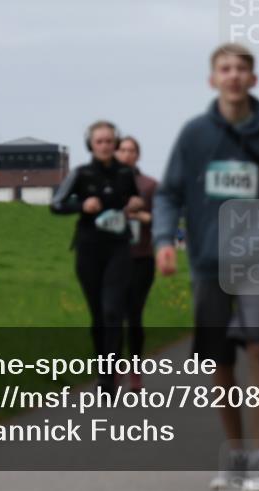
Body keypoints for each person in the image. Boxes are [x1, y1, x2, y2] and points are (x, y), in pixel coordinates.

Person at [153, 42, 259, 491]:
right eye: (225, 68)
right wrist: (164, 240)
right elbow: (169, 193)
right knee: (219, 360)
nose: (233, 75)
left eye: (241, 69)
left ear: (253, 79)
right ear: (212, 79)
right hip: (208, 262)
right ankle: (235, 457)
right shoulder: (194, 134)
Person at [50, 120, 143, 393]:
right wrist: (82, 205)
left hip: (119, 248)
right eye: (99, 141)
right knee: (98, 314)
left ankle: (110, 375)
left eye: (109, 141)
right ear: (90, 144)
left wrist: (135, 203)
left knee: (113, 310)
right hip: (89, 248)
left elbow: (135, 200)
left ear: (116, 144)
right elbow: (56, 204)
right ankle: (102, 369)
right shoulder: (81, 174)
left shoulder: (125, 173)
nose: (104, 146)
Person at [115, 135, 158, 392]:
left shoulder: (150, 185)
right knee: (112, 315)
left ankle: (135, 370)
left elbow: (162, 218)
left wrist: (141, 216)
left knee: (133, 315)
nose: (127, 154)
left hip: (141, 257)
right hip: (112, 259)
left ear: (138, 155)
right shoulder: (106, 183)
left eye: (131, 150)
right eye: (122, 150)